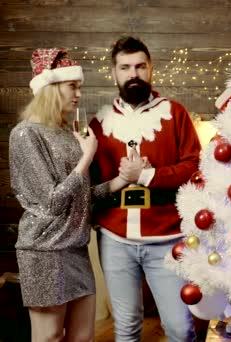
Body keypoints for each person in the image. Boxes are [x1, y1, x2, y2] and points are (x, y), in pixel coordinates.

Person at [89, 36, 201, 341]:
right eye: (125, 67)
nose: (133, 73)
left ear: (151, 69)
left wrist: (149, 175)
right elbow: (91, 187)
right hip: (116, 240)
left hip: (167, 237)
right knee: (126, 328)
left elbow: (194, 166)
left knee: (179, 327)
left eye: (140, 66)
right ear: (114, 73)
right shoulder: (99, 122)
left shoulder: (175, 114)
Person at [9, 48, 100, 342]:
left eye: (79, 87)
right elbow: (50, 202)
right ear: (50, 87)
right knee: (48, 337)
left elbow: (80, 194)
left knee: (82, 336)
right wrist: (86, 160)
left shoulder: (66, 132)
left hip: (76, 249)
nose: (78, 94)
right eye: (72, 86)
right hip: (44, 251)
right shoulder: (25, 134)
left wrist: (123, 180)